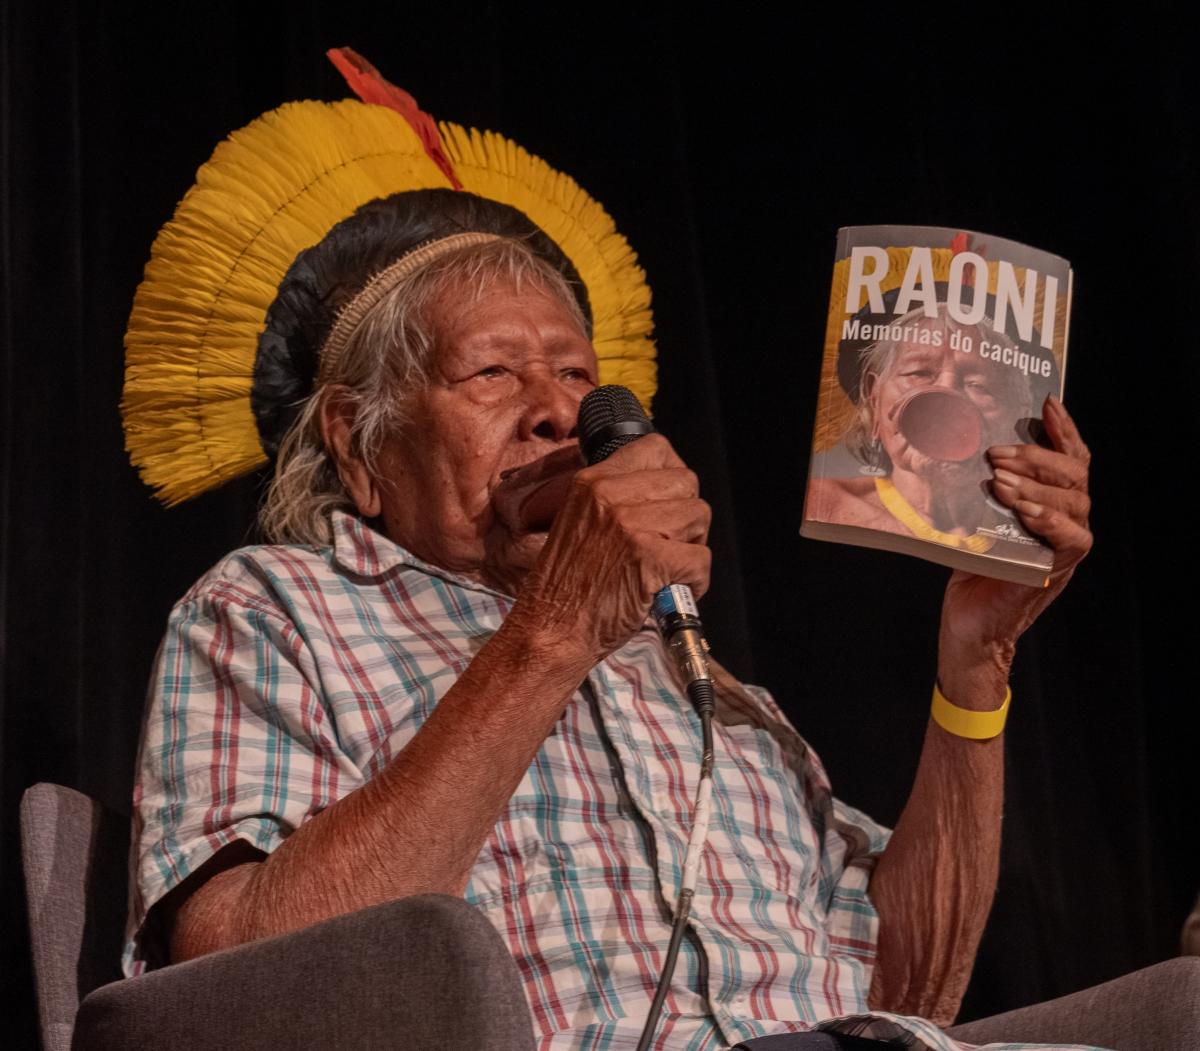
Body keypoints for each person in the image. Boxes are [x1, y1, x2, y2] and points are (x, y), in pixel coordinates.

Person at [119, 59, 1109, 1051]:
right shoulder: (271, 609)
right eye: (494, 373)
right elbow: (236, 980)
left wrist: (976, 664)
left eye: (578, 374)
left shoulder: (699, 681)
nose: (561, 411)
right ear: (356, 440)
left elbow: (915, 992)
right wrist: (555, 628)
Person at [806, 301, 1054, 554]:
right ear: (874, 395)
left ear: (1018, 417)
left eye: (979, 385)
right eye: (919, 373)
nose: (944, 395)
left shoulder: (1035, 544)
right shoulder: (819, 504)